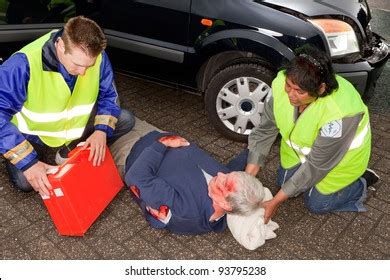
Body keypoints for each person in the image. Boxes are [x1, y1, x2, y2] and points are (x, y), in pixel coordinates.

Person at [0, 15, 134, 197]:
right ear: (61, 46)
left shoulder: (97, 57)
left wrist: (101, 131)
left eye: (89, 65)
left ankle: (69, 150)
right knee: (25, 182)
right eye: (78, 65)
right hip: (33, 134)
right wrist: (29, 163)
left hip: (73, 126)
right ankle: (35, 156)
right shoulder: (23, 64)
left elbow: (109, 95)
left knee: (125, 119)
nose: (84, 72)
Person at [245, 45, 379, 223]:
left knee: (316, 204)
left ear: (321, 89)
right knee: (284, 184)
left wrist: (275, 202)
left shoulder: (340, 113)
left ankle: (359, 183)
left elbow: (317, 165)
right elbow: (265, 130)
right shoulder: (280, 85)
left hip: (340, 163)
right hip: (300, 153)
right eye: (289, 86)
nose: (291, 95)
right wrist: (247, 179)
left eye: (300, 92)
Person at [124, 130, 265, 235]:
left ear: (225, 204)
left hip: (135, 147)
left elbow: (135, 177)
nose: (221, 174)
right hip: (161, 136)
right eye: (229, 176)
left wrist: (163, 143)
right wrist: (251, 150)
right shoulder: (225, 190)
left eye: (224, 182)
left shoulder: (183, 210)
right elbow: (231, 172)